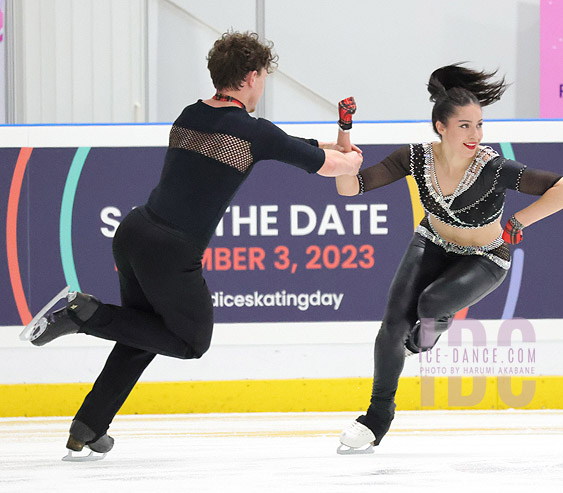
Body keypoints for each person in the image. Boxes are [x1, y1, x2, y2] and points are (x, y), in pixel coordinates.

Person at [21, 31, 362, 460]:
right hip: (171, 252)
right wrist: (350, 149)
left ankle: (88, 427)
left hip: (134, 234)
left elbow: (287, 145)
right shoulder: (254, 133)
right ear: (253, 76)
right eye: (263, 79)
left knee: (142, 334)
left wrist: (333, 143)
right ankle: (85, 313)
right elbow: (337, 165)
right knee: (190, 342)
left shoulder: (190, 115)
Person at [334, 64, 563, 453]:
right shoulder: (414, 158)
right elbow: (350, 187)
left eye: (479, 125)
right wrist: (344, 131)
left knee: (431, 306)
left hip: (485, 257)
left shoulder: (493, 167)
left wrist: (519, 220)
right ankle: (375, 419)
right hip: (431, 243)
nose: (476, 134)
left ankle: (428, 336)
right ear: (441, 126)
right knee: (391, 327)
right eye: (465, 125)